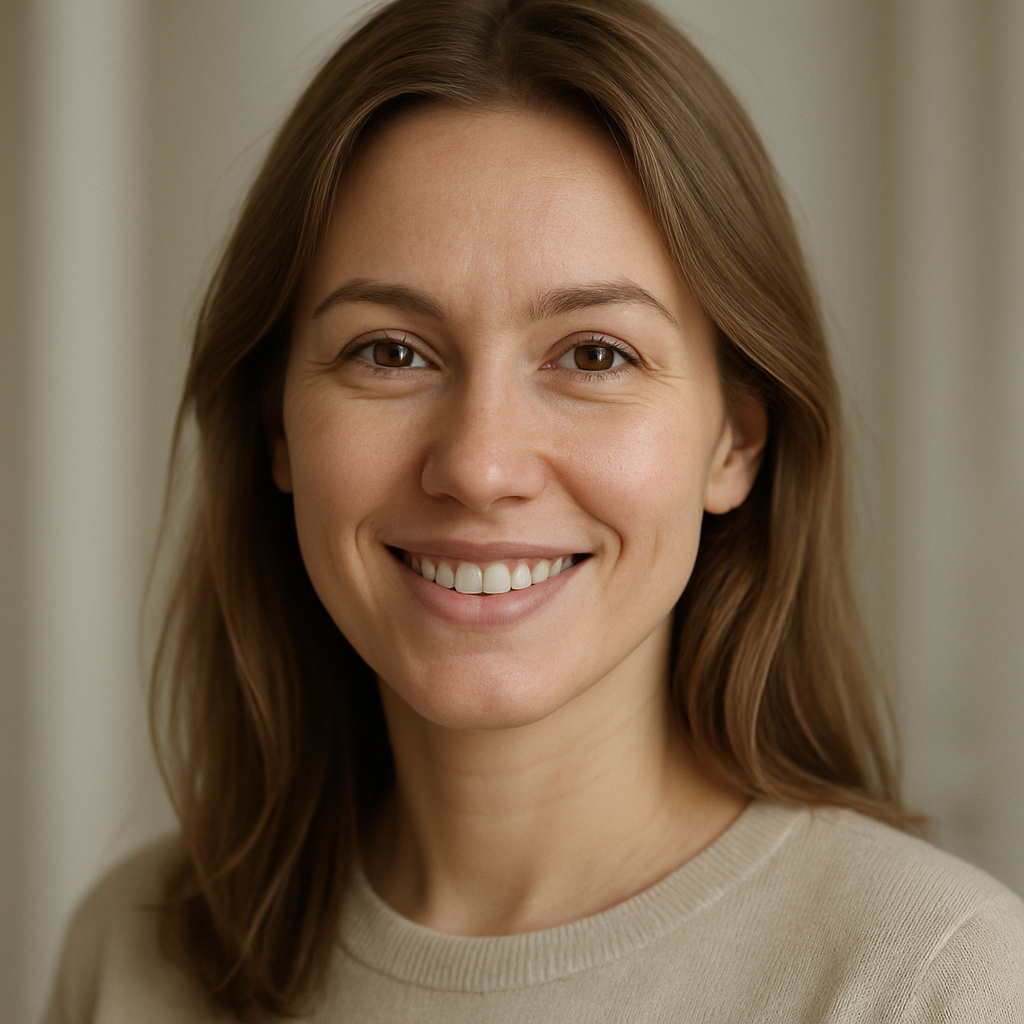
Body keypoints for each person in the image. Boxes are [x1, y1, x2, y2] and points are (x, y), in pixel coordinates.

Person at [42, 0, 1024, 1021]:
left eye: (594, 355)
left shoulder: (938, 982)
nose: (479, 466)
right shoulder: (134, 956)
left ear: (734, 440)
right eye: (390, 351)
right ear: (276, 427)